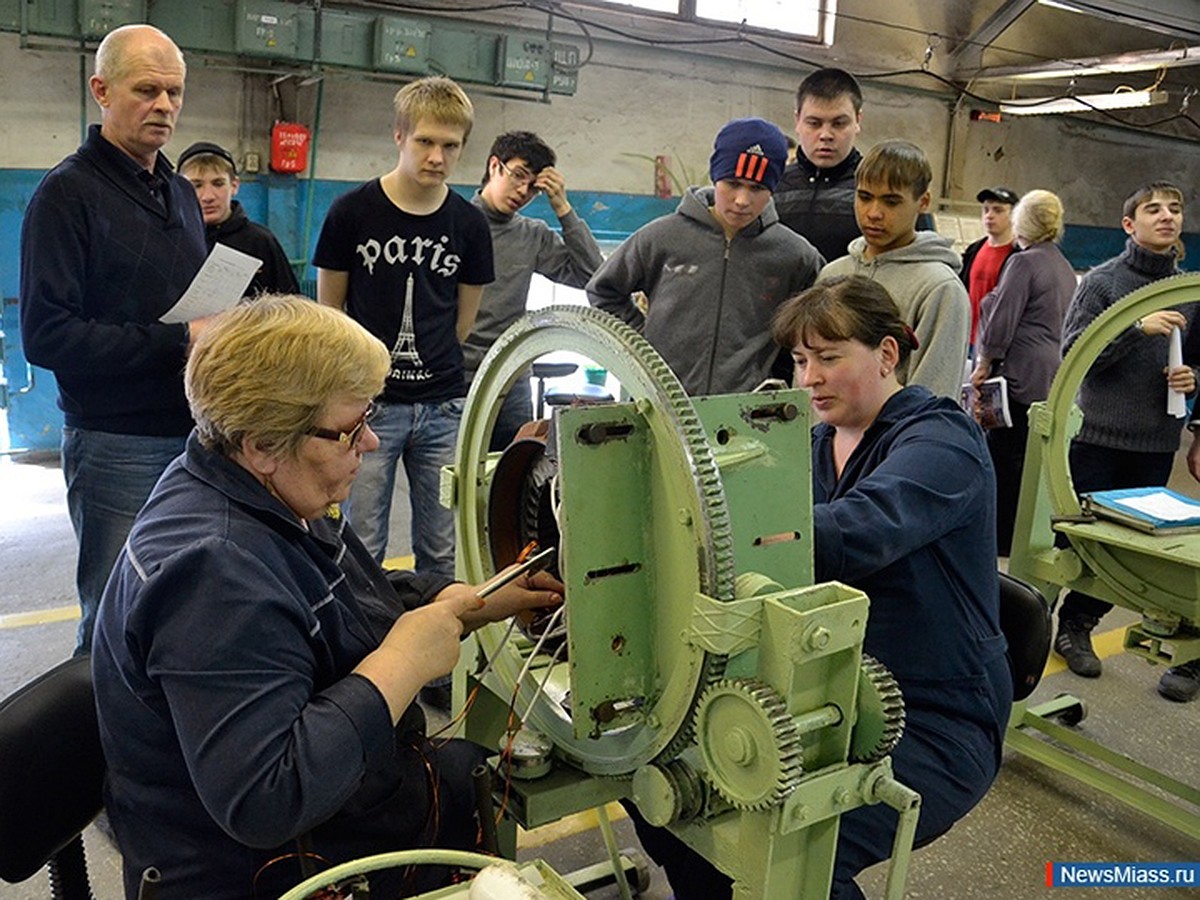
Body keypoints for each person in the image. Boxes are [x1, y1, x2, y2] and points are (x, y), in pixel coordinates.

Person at [91, 295, 564, 899]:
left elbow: (330, 592)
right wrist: (402, 664)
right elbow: (267, 797)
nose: (368, 444)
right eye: (350, 429)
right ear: (263, 442)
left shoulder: (253, 482)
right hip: (253, 865)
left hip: (328, 808)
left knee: (465, 772)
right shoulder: (213, 574)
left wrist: (460, 598)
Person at [627, 275, 1012, 900]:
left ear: (887, 354)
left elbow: (857, 530)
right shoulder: (808, 446)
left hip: (934, 715)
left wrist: (703, 533)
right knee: (666, 788)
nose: (809, 378)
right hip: (824, 693)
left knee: (797, 847)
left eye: (829, 358)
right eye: (802, 360)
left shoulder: (943, 441)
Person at [18, 24, 209, 654]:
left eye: (174, 92)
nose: (164, 106)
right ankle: (93, 746)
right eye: (146, 89)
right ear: (101, 90)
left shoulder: (180, 192)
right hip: (115, 442)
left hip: (193, 434)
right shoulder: (66, 193)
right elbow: (47, 336)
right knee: (112, 610)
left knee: (182, 601)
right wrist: (177, 341)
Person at [314, 75, 494, 573]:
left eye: (450, 146)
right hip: (370, 407)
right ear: (399, 136)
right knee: (361, 542)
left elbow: (463, 320)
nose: (437, 156)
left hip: (442, 406)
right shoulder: (351, 212)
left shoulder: (470, 224)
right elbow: (331, 317)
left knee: (441, 548)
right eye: (425, 142)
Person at [1054, 181, 1198, 702]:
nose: (1167, 216)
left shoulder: (1190, 290)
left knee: (1132, 554)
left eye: (1175, 209)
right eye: (1153, 209)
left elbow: (1199, 362)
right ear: (1129, 225)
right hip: (1096, 440)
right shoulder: (1102, 283)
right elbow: (1074, 355)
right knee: (1073, 542)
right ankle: (1045, 622)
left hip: (1155, 446)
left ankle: (1080, 624)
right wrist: (1135, 328)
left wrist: (1193, 382)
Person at [586, 116, 824, 396]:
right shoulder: (661, 237)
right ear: (715, 177)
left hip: (747, 413)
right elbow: (603, 290)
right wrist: (643, 343)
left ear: (773, 189)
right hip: (659, 401)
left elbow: (813, 324)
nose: (742, 200)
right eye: (732, 184)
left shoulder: (795, 256)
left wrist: (779, 374)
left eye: (757, 188)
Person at [464, 130, 603, 450]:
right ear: (494, 166)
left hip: (510, 376)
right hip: (459, 377)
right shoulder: (456, 222)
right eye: (518, 176)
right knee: (458, 477)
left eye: (533, 188)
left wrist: (563, 208)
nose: (523, 191)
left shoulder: (532, 235)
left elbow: (594, 276)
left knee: (511, 475)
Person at [818, 140, 971, 400]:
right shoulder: (831, 275)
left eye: (891, 202)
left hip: (898, 439)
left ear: (923, 202)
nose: (874, 213)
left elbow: (932, 398)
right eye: (864, 197)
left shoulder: (939, 289)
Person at [970, 189, 1077, 556]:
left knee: (1002, 459)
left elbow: (1002, 320)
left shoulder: (1024, 262)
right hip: (1048, 377)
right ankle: (1019, 533)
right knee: (1027, 462)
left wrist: (983, 362)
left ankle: (998, 539)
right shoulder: (1062, 265)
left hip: (1015, 376)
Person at [177, 140, 300, 297]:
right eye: (196, 185)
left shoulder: (261, 242)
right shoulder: (171, 240)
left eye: (218, 183)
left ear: (234, 185)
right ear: (180, 189)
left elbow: (292, 306)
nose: (208, 196)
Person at [774, 67, 864, 263]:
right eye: (814, 123)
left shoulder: (875, 189)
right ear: (797, 121)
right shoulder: (773, 187)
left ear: (858, 121)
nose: (826, 135)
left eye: (839, 124)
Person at [961, 186, 1019, 346]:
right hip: (966, 339)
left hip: (995, 344)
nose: (989, 216)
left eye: (998, 210)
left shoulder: (1019, 257)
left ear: (1014, 215)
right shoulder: (973, 250)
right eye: (986, 210)